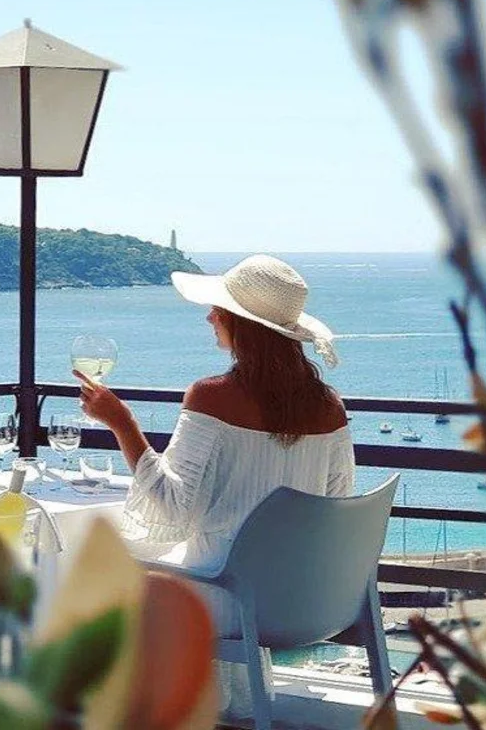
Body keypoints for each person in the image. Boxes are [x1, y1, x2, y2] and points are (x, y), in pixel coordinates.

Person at [74, 253, 355, 715]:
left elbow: (170, 511)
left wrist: (122, 423)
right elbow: (335, 503)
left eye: (218, 311)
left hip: (228, 596)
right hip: (310, 599)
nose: (209, 316)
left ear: (239, 326)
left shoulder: (211, 397)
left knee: (90, 560)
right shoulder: (330, 407)